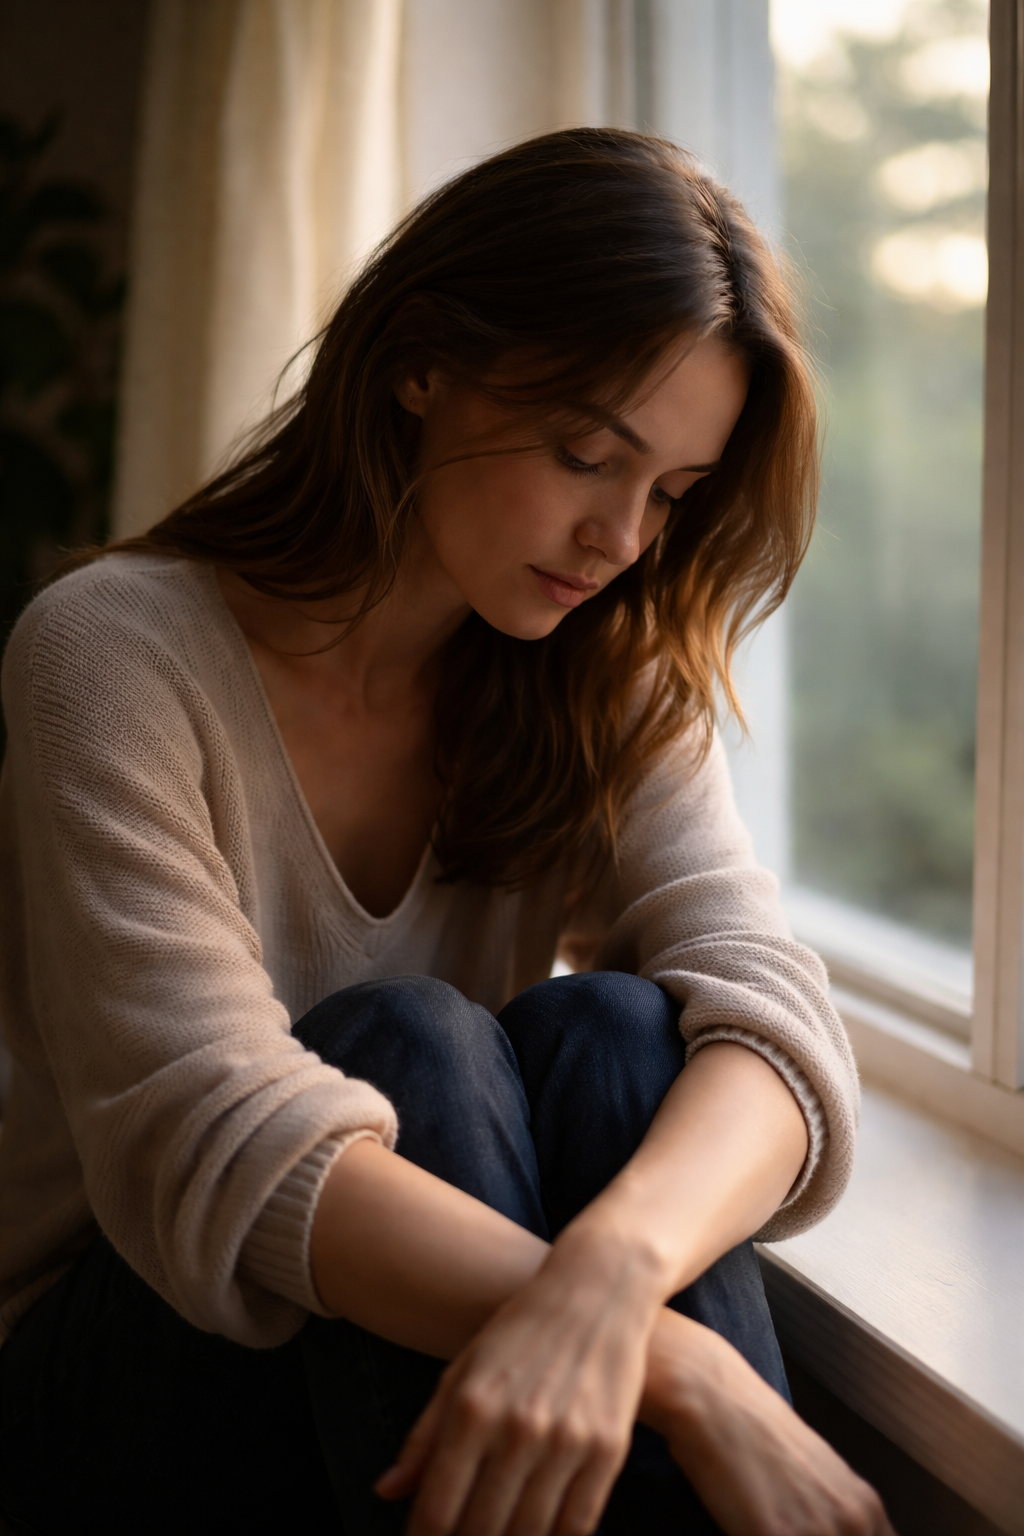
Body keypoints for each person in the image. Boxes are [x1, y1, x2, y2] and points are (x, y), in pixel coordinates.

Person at [0, 128, 891, 1536]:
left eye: (670, 493)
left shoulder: (607, 664)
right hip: (116, 1372)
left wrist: (607, 1277)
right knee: (402, 1041)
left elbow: (772, 1012)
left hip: (387, 1389)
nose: (621, 541)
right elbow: (215, 1131)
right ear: (420, 363)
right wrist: (687, 1370)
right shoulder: (110, 655)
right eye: (588, 455)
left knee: (615, 1033)